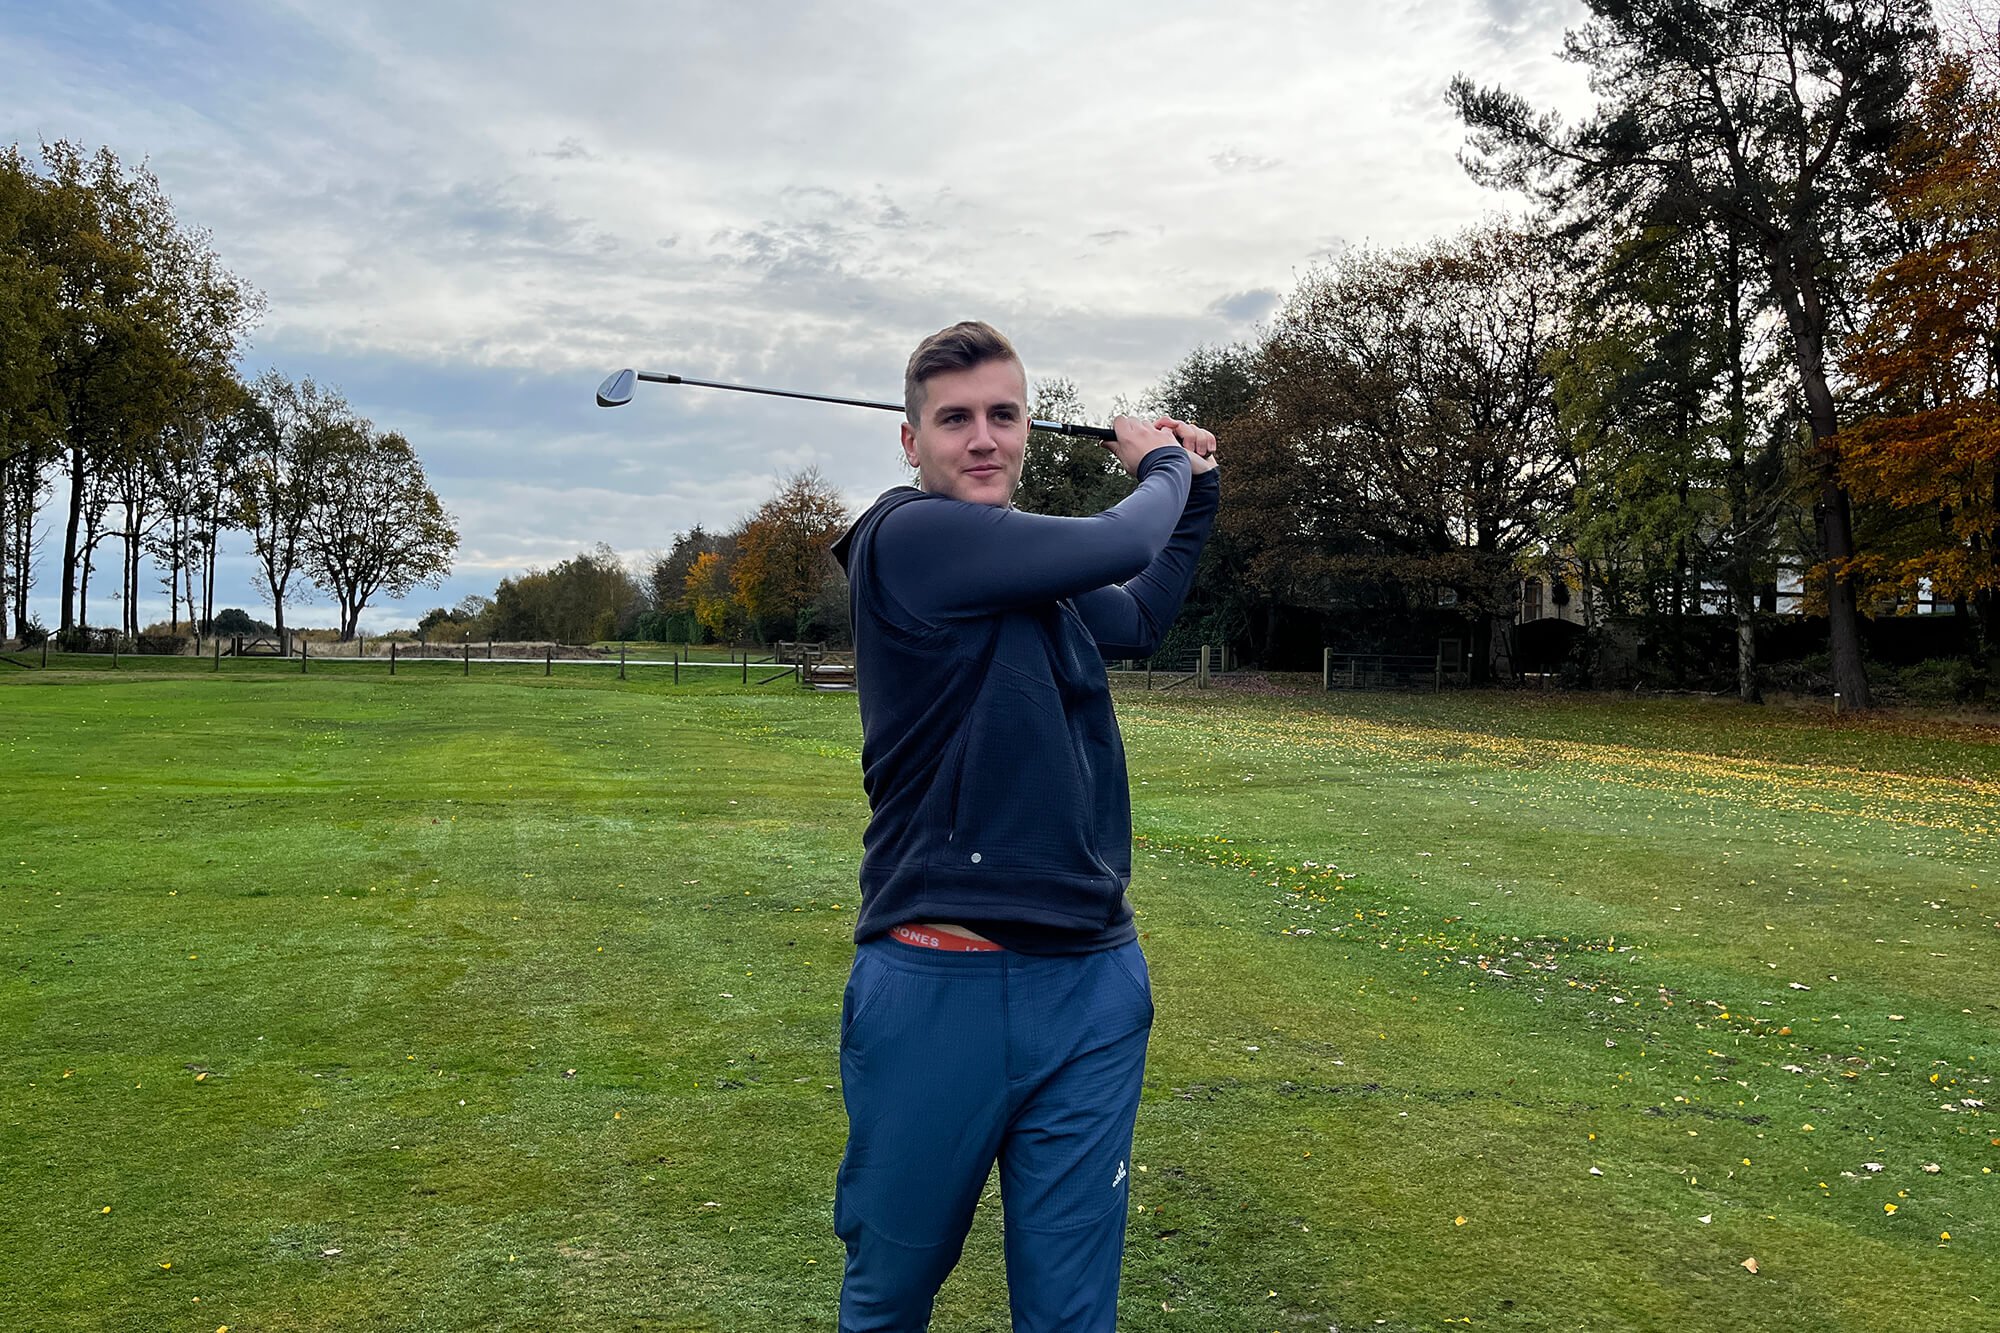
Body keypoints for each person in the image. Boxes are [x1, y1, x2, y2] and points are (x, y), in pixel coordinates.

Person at [828, 321, 1220, 1330]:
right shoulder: (907, 538)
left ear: (1029, 429)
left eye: (1002, 415)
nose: (982, 438)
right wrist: (1165, 460)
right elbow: (1124, 535)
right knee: (890, 1291)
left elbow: (1133, 614)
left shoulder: (1029, 577)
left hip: (1089, 983)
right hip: (937, 982)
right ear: (910, 442)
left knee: (1068, 1310)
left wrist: (1198, 493)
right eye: (953, 419)